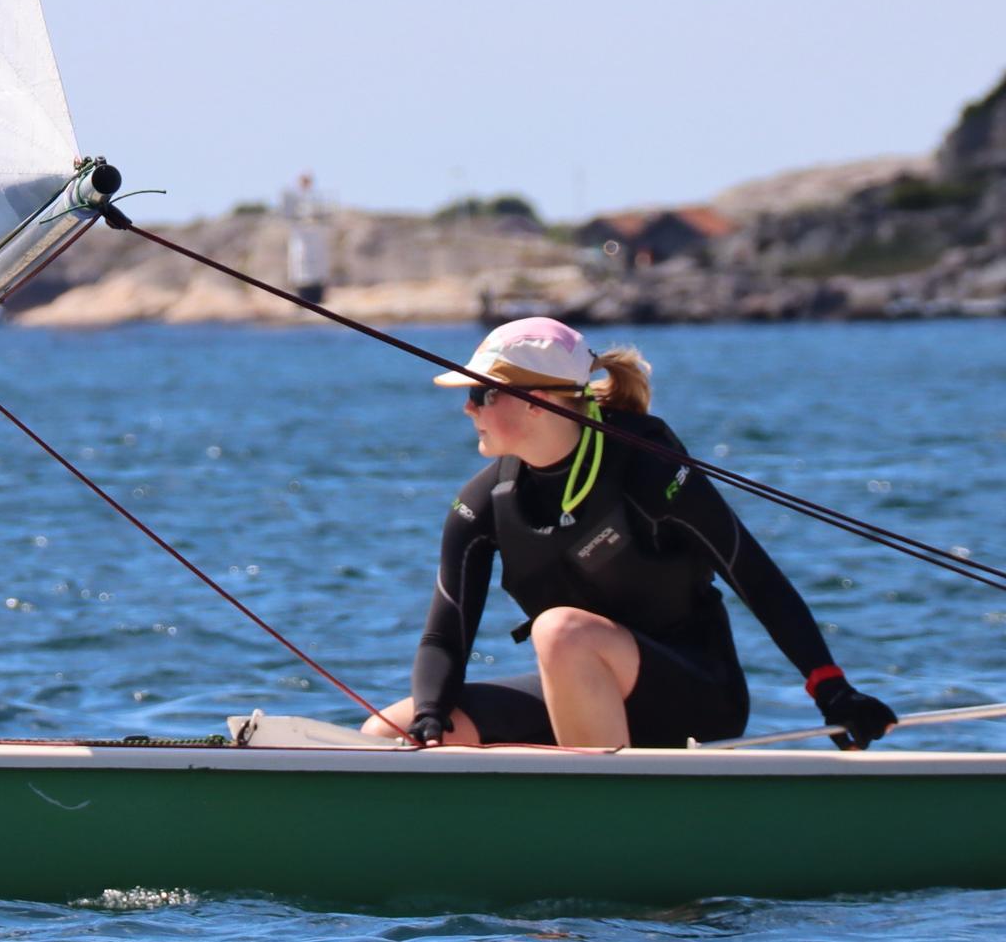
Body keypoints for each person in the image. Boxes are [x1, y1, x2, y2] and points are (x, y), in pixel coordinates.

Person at [363, 317, 898, 751]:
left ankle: (594, 808)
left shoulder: (648, 471)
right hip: (582, 696)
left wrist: (832, 691)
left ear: (535, 400)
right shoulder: (483, 504)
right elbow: (443, 638)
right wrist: (432, 718)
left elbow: (756, 578)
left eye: (481, 394)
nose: (467, 408)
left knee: (559, 631)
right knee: (389, 732)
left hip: (696, 694)